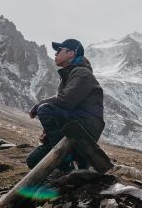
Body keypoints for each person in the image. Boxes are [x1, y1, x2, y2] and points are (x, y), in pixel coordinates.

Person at [26, 39, 105, 171]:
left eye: (59, 51)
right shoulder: (71, 74)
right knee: (33, 160)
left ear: (71, 53)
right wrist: (48, 133)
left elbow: (65, 101)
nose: (55, 55)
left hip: (85, 126)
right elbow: (64, 107)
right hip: (74, 123)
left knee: (44, 109)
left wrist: (38, 105)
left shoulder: (82, 73)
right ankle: (75, 164)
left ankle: (65, 162)